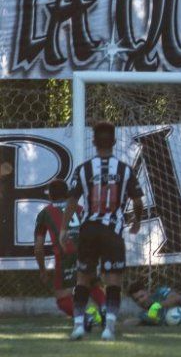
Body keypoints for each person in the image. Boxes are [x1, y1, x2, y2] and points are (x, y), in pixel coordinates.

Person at [61, 121, 144, 341]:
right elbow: (137, 201)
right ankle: (109, 329)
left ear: (94, 142)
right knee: (113, 280)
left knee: (83, 278)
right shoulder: (125, 170)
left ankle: (78, 326)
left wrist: (63, 228)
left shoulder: (84, 169)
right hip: (112, 232)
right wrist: (137, 220)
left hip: (88, 230)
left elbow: (72, 200)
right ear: (114, 143)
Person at [34, 179, 105, 328]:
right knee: (91, 284)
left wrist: (42, 270)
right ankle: (105, 308)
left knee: (62, 297)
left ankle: (87, 318)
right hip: (87, 251)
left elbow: (39, 247)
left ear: (50, 196)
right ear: (67, 193)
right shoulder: (80, 209)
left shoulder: (45, 213)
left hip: (66, 254)